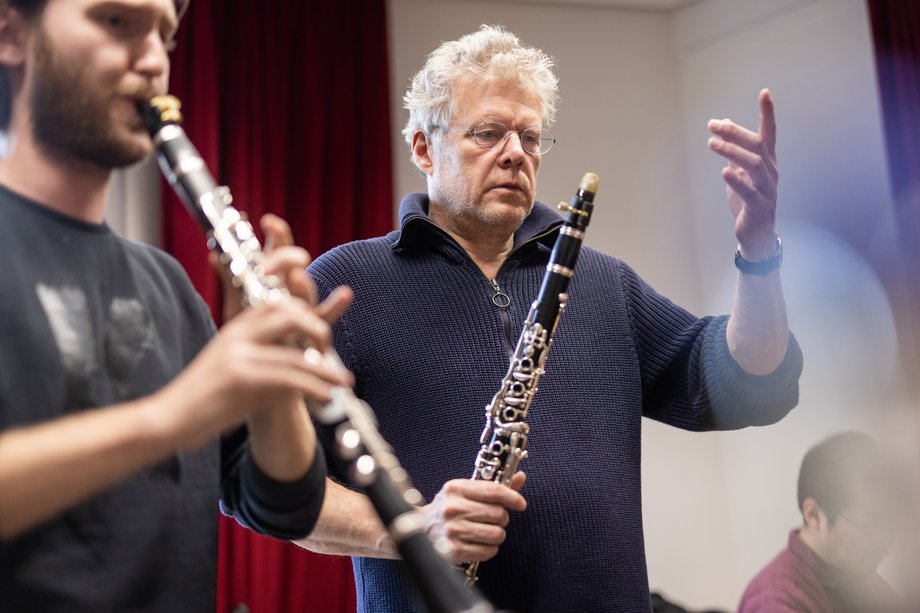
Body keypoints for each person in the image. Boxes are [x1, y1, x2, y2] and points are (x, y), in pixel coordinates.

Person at [299, 25, 803, 612]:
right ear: (423, 148)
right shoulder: (347, 284)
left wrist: (759, 253)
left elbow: (749, 380)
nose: (515, 152)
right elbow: (270, 487)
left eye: (530, 137)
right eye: (488, 132)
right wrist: (415, 528)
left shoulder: (605, 282)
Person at [0, 0, 352, 610]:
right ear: (10, 32)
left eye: (165, 36)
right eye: (116, 22)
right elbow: (175, 419)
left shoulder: (164, 283)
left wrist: (274, 380)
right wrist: (169, 417)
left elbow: (283, 504)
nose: (153, 61)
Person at [738, 432, 906, 613]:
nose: (888, 541)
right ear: (814, 515)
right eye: (873, 524)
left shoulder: (859, 575)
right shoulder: (777, 600)